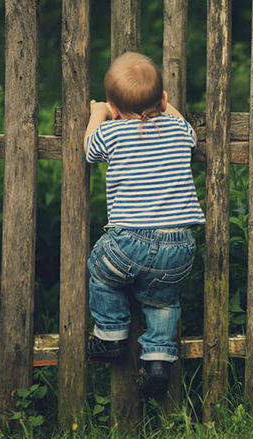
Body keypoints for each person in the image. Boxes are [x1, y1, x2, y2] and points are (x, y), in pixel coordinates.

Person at [84, 51, 204, 398]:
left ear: (114, 107)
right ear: (164, 100)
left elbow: (89, 149)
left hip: (128, 242)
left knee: (102, 273)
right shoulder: (179, 129)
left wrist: (98, 114)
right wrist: (166, 106)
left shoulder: (112, 132)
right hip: (179, 246)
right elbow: (191, 134)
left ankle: (110, 334)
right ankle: (157, 359)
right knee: (164, 302)